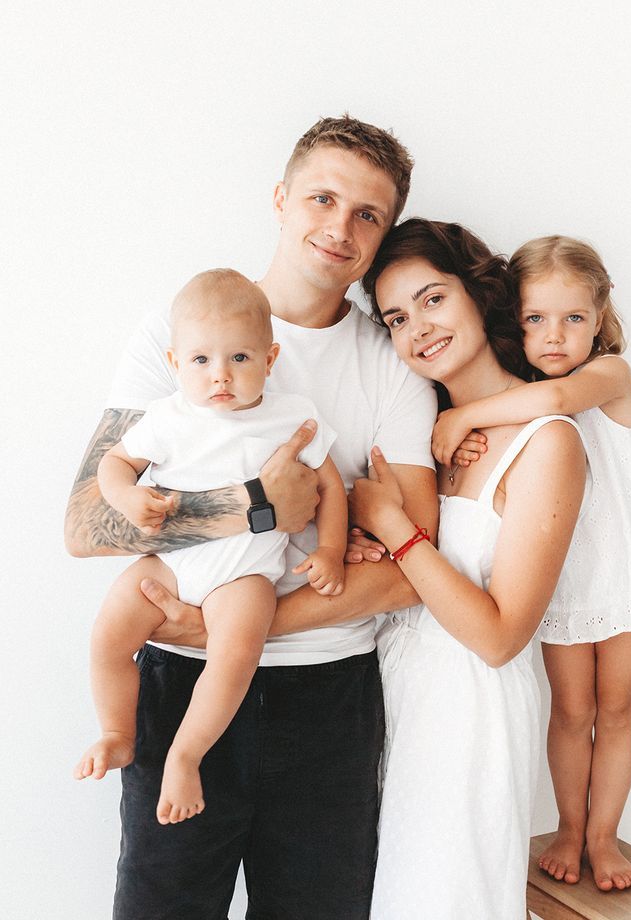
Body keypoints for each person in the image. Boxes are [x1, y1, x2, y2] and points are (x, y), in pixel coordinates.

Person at [65, 116, 439, 920]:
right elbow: (88, 522)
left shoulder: (394, 366)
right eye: (323, 198)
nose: (339, 228)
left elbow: (414, 569)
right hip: (174, 685)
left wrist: (234, 629)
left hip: (328, 704)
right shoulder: (183, 331)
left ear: (381, 237)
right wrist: (256, 508)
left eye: (366, 215)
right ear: (280, 199)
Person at [430, 235, 631, 892]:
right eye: (535, 319)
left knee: (620, 705)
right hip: (566, 581)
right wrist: (466, 439)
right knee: (572, 710)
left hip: (628, 570)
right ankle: (572, 829)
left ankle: (604, 836)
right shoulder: (511, 399)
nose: (555, 335)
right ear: (513, 322)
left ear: (599, 317)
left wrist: (460, 418)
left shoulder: (609, 376)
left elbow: (556, 402)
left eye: (573, 318)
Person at [351, 218, 588, 919]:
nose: (417, 328)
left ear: (478, 293)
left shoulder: (548, 444)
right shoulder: (416, 431)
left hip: (471, 714)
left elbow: (498, 636)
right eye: (396, 317)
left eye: (432, 299)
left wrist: (393, 526)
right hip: (392, 690)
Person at [74, 269, 347, 827]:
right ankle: (117, 732)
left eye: (239, 359)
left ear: (269, 360)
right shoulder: (168, 417)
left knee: (234, 653)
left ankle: (185, 754)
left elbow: (330, 486)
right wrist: (126, 497)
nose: (219, 375)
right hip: (170, 564)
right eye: (201, 361)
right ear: (176, 364)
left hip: (243, 574)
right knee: (107, 635)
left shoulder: (292, 417)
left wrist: (333, 551)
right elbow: (113, 463)